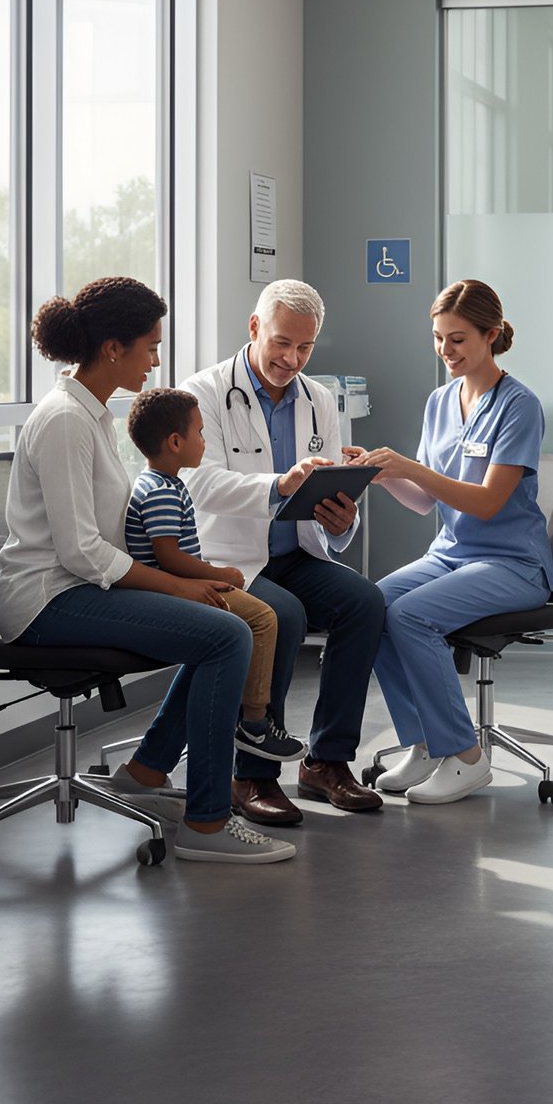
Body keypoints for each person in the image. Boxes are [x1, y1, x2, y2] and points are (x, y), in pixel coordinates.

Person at [0, 277, 294, 865]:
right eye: (150, 346)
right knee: (226, 633)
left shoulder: (93, 415)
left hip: (81, 587)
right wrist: (180, 584)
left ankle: (148, 771)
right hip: (49, 601)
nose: (157, 359)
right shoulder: (65, 421)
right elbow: (81, 551)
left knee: (219, 629)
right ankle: (206, 826)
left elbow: (104, 541)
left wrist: (185, 579)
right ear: (113, 349)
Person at [182, 279, 386, 823]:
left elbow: (330, 488)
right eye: (281, 343)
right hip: (226, 557)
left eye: (305, 348)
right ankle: (251, 775)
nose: (292, 359)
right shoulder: (203, 392)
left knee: (365, 602)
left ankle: (327, 761)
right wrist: (280, 485)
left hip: (296, 551)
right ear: (254, 329)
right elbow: (197, 483)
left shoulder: (319, 399)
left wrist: (343, 519)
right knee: (282, 615)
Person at [346, 279, 552, 806]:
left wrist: (409, 464)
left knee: (413, 616)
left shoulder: (519, 406)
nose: (445, 351)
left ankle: (464, 757)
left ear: (491, 335)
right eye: (438, 338)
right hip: (451, 555)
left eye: (458, 339)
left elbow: (486, 502)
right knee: (373, 605)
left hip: (513, 564)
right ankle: (422, 743)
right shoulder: (440, 402)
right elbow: (424, 501)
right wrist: (378, 473)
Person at [124, 387, 307, 766]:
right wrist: (217, 573)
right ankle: (255, 722)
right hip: (174, 589)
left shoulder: (165, 483)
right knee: (262, 617)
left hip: (182, 581)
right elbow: (168, 556)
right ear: (176, 442)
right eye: (201, 433)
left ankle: (160, 760)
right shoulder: (160, 491)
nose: (205, 441)